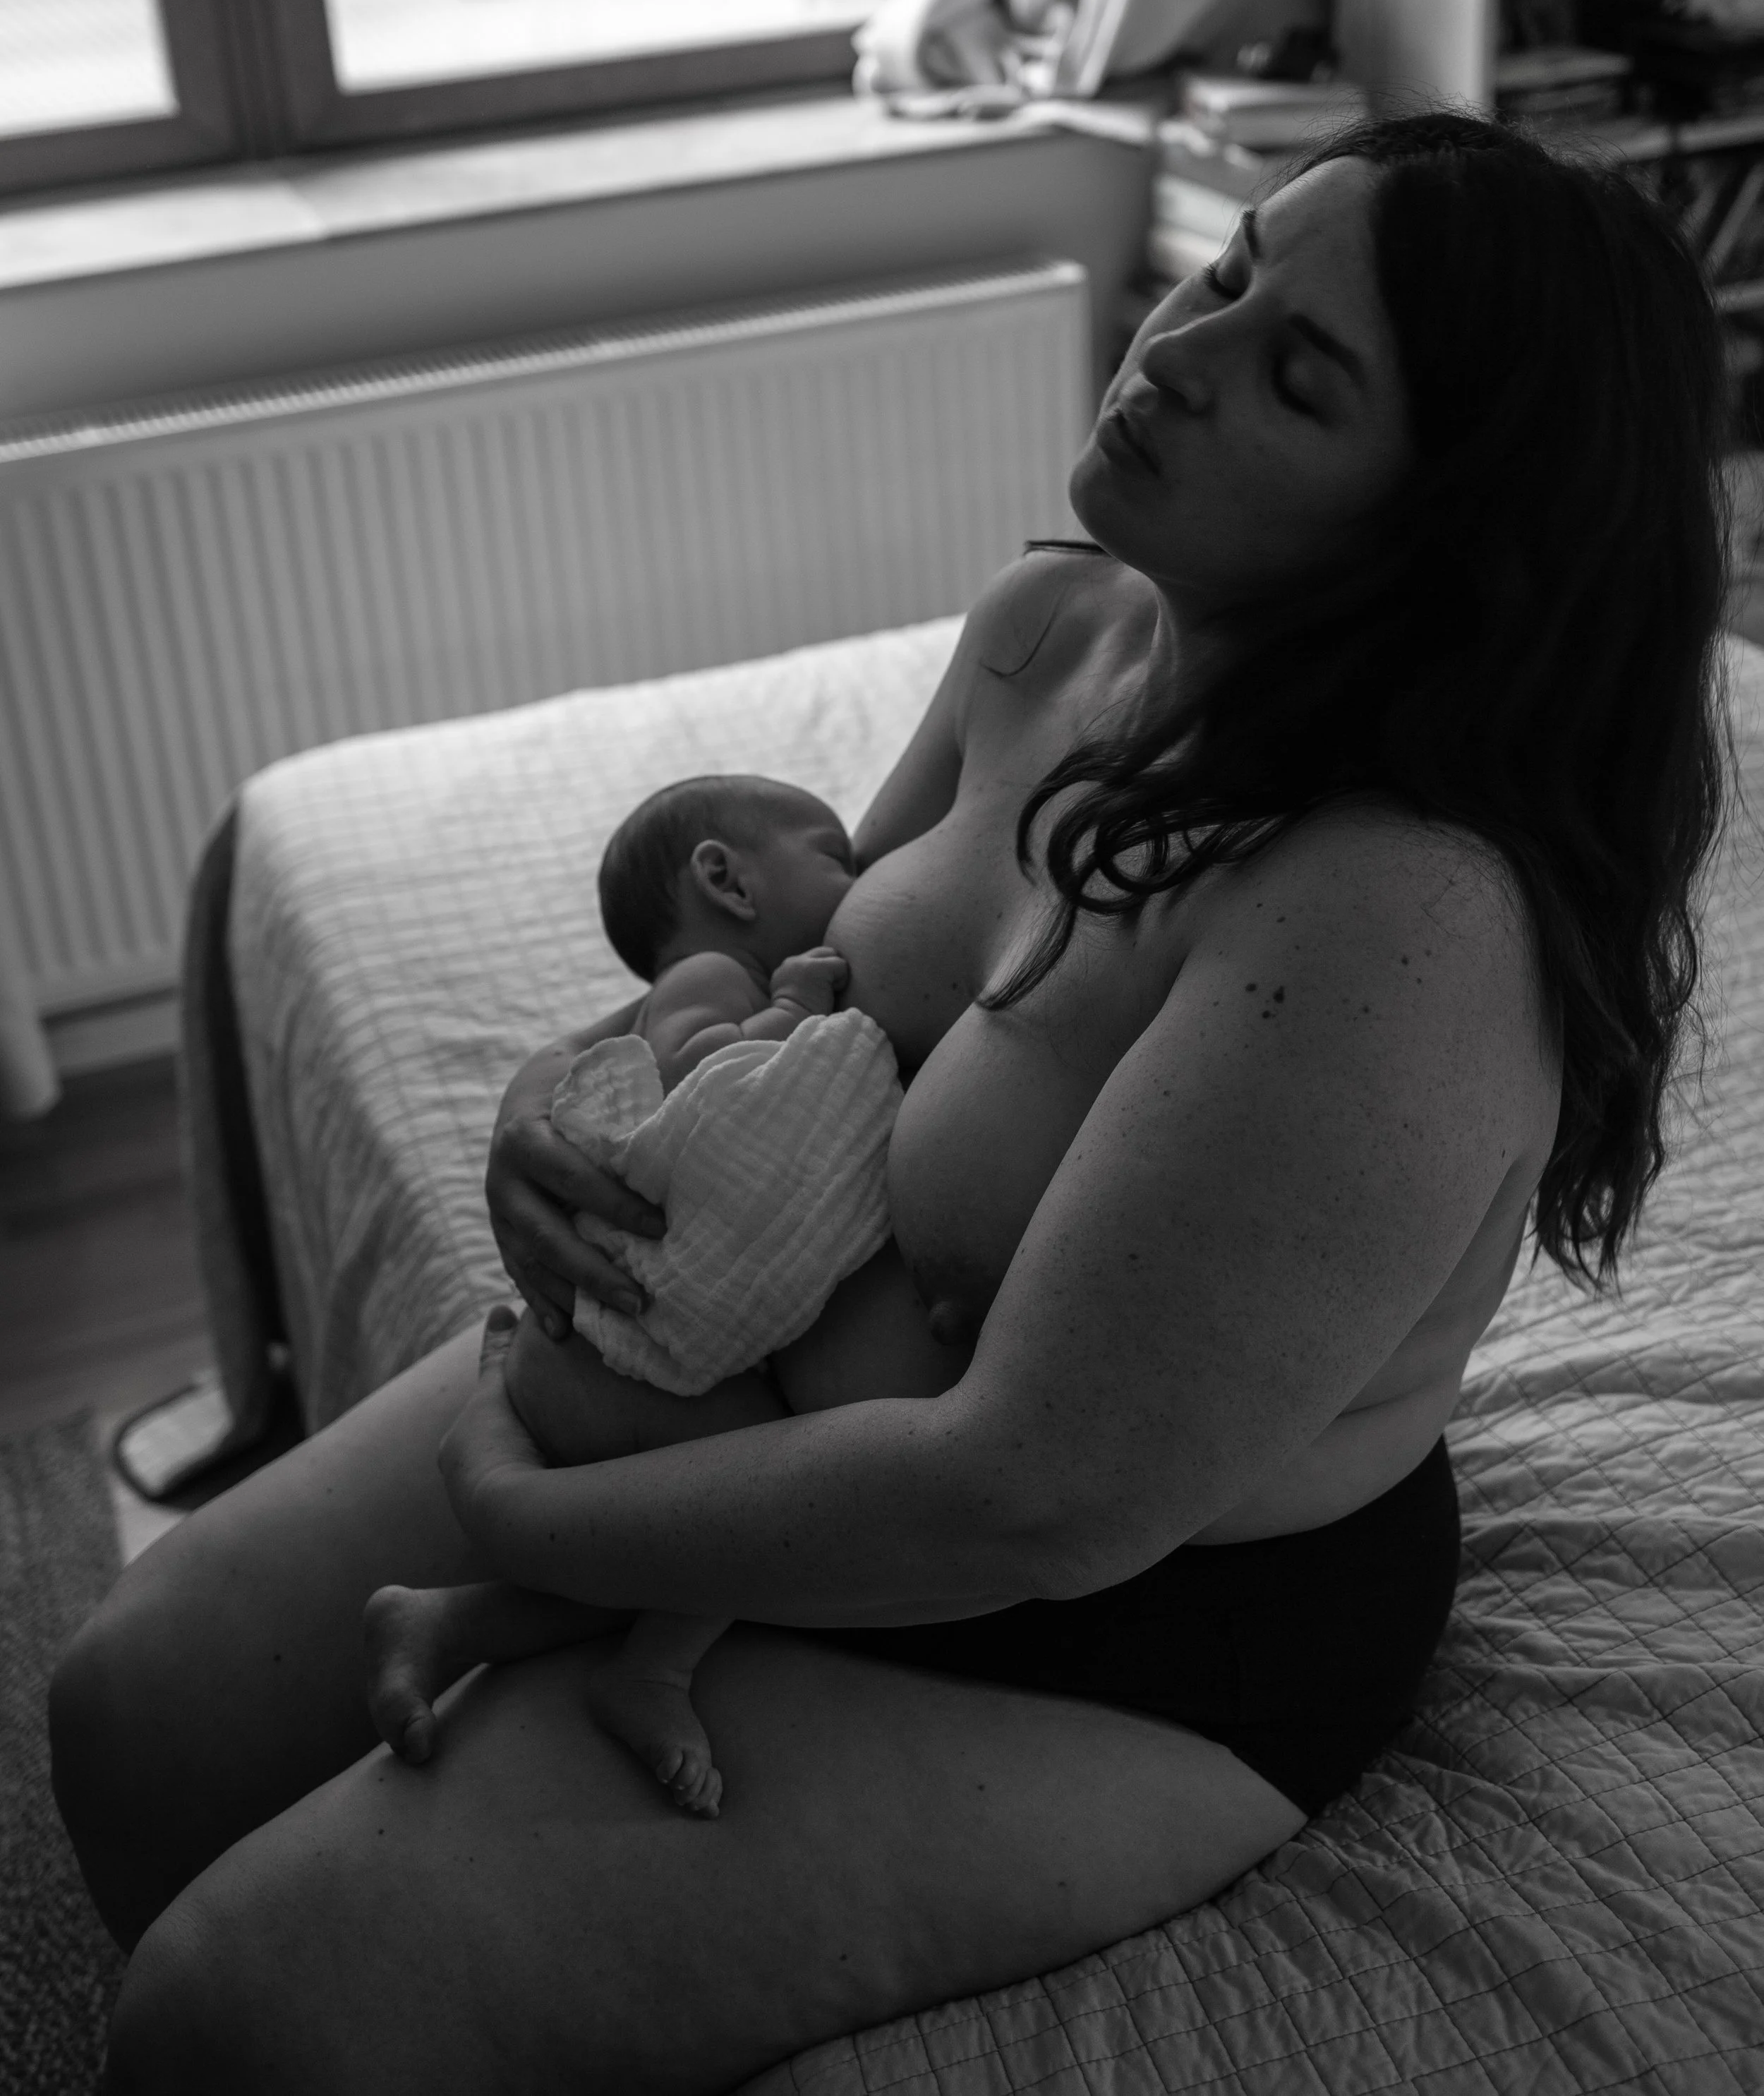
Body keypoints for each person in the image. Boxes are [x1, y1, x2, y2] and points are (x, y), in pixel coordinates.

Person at [52, 112, 1736, 2096]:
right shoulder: (1059, 623)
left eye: (1297, 374)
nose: (1175, 352)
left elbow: (1026, 1493)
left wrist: (543, 1524)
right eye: (1227, 276)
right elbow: (822, 975)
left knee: (248, 2018)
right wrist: (562, 1095)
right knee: (127, 1714)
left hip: (1121, 1612)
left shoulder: (1400, 918)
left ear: (1443, 532)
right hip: (798, 1375)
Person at [366, 771, 898, 1817]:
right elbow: (697, 1082)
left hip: (602, 1355)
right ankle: (649, 1672)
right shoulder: (711, 973)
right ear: (725, 878)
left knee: (707, 1535)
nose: (862, 875)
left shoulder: (727, 964)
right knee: (758, 1507)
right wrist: (793, 1007)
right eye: (836, 854)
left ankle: (449, 1623)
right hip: (620, 1354)